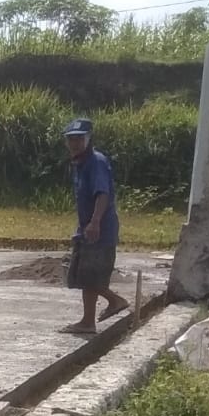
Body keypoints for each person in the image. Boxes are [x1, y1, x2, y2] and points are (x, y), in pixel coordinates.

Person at [61, 117, 128, 336]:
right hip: (87, 229)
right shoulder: (80, 164)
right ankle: (89, 321)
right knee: (83, 275)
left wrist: (95, 222)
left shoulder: (96, 162)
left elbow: (102, 194)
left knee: (90, 276)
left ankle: (113, 302)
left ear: (89, 139)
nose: (74, 143)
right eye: (71, 139)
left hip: (99, 229)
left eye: (79, 139)